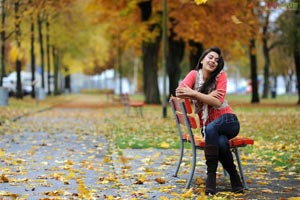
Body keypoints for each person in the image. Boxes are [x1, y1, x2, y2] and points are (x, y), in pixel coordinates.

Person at [175, 47, 243, 195]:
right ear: (202, 60)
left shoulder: (221, 76)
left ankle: (210, 176)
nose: (213, 61)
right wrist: (206, 96)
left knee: (212, 128)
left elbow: (218, 103)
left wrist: (193, 93)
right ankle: (234, 177)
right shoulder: (194, 75)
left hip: (229, 121)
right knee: (220, 142)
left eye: (217, 60)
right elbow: (179, 92)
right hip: (209, 128)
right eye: (210, 57)